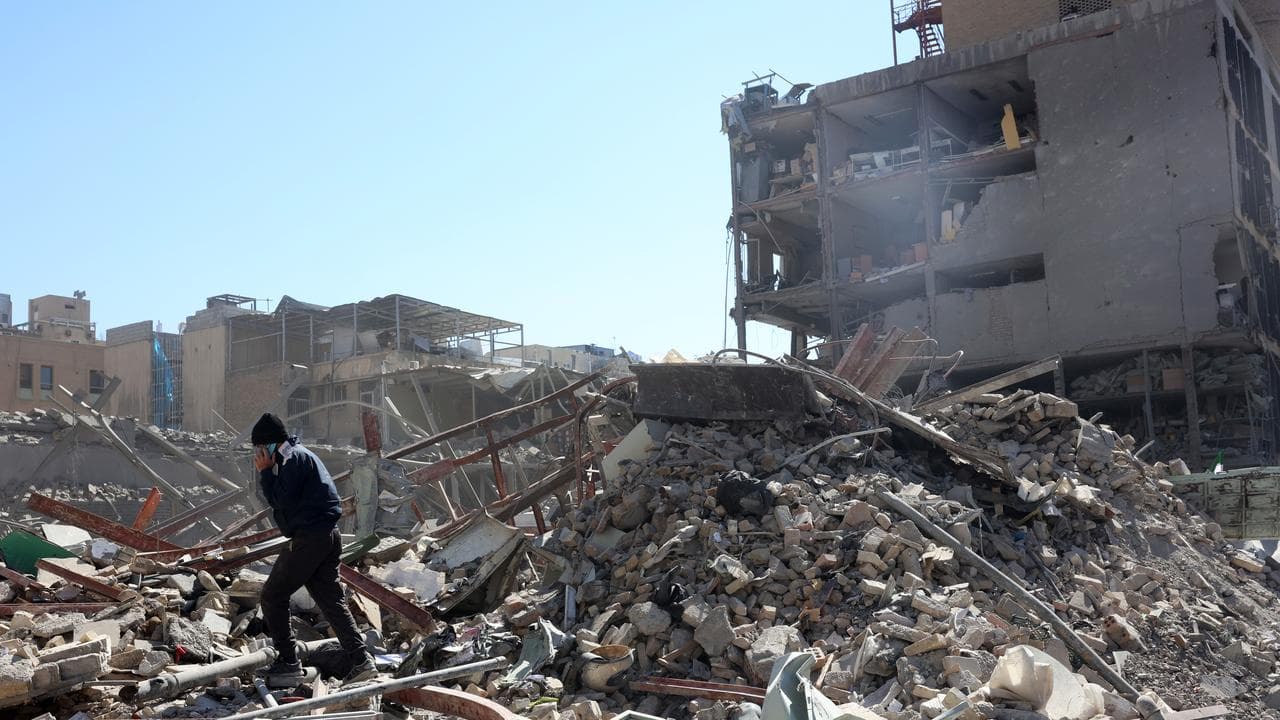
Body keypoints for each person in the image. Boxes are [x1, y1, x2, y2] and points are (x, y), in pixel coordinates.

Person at [251, 412, 377, 684]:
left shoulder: (292, 460)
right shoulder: (297, 456)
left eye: (260, 449)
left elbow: (280, 500)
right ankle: (362, 661)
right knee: (331, 601)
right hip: (327, 535)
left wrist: (265, 474)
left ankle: (288, 662)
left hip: (310, 538)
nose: (259, 455)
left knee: (273, 595)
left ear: (268, 444)